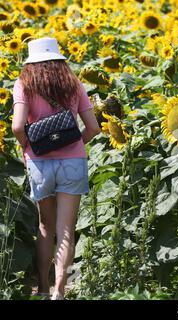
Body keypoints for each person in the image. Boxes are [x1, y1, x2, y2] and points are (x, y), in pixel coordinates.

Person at [11, 37, 101, 300]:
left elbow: (17, 126)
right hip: (73, 163)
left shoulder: (23, 84)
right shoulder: (74, 85)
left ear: (30, 63)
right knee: (65, 230)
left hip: (40, 164)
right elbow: (94, 127)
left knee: (45, 228)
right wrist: (74, 145)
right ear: (60, 59)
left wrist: (30, 148)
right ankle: (59, 292)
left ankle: (41, 287)